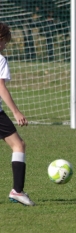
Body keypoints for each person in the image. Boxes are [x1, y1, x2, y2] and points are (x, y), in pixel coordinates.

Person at [0, 22, 35, 206]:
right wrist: (16, 112)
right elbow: (1, 88)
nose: (5, 45)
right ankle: (17, 191)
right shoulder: (0, 60)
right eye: (5, 41)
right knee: (19, 145)